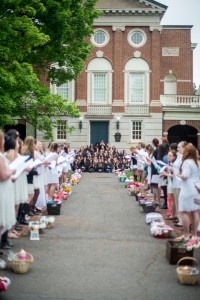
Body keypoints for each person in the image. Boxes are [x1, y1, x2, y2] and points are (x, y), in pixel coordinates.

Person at [175, 144, 200, 242]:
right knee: (195, 211)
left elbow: (185, 176)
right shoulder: (198, 162)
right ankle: (194, 234)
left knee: (184, 211)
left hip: (187, 188)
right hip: (196, 188)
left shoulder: (187, 162)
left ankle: (186, 234)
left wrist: (179, 174)